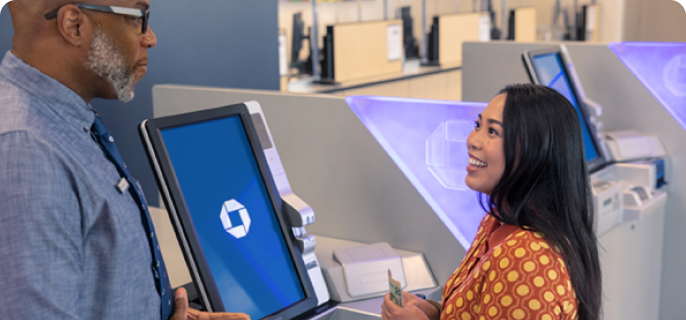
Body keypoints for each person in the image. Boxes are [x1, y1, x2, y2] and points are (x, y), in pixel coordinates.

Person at [0, 1, 249, 319]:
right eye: (138, 19)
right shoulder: (26, 150)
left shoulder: (63, 123)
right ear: (74, 25)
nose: (150, 38)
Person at [381, 84, 602, 320]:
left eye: (493, 132)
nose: (473, 141)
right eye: (478, 126)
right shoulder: (496, 221)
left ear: (534, 153)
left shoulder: (527, 259)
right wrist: (435, 312)